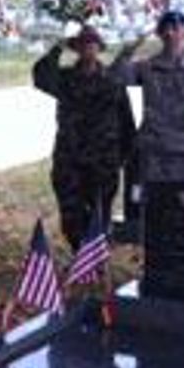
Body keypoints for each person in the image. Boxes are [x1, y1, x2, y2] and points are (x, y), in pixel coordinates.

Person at [33, 25, 136, 251]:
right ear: (77, 48)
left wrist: (121, 158)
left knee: (99, 218)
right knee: (71, 217)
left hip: (103, 163)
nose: (88, 48)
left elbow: (127, 124)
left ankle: (96, 261)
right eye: (82, 44)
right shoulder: (65, 79)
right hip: (70, 162)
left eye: (92, 44)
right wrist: (58, 47)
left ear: (99, 48)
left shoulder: (113, 81)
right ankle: (80, 257)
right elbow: (40, 76)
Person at [110, 9, 184, 184]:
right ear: (159, 34)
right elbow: (115, 78)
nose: (170, 33)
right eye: (165, 29)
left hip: (183, 149)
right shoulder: (147, 67)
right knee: (153, 199)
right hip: (153, 149)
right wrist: (128, 50)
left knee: (182, 198)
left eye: (175, 28)